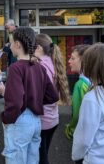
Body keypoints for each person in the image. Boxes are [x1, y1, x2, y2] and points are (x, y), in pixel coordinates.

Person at [0, 27, 59, 164]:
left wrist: (5, 118)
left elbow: (15, 103)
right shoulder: (39, 66)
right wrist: (34, 100)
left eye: (11, 43)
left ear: (18, 44)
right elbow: (53, 96)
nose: (10, 46)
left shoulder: (16, 67)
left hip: (20, 120)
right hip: (36, 121)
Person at [34, 33, 71, 164]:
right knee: (43, 155)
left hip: (42, 120)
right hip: (52, 118)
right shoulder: (50, 62)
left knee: (41, 159)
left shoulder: (41, 66)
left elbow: (39, 95)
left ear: (37, 47)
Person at [65, 44, 91, 140]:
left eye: (72, 58)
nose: (69, 61)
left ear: (84, 61)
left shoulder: (80, 85)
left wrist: (70, 129)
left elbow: (76, 115)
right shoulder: (95, 80)